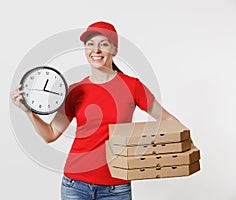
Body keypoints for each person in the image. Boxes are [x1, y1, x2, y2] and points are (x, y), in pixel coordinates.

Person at [11, 21, 179, 200]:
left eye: (103, 44)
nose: (96, 50)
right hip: (75, 185)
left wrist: (170, 146)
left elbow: (169, 122)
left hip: (117, 187)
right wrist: (29, 112)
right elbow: (50, 134)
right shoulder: (75, 90)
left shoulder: (132, 86)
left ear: (114, 50)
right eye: (90, 44)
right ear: (85, 50)